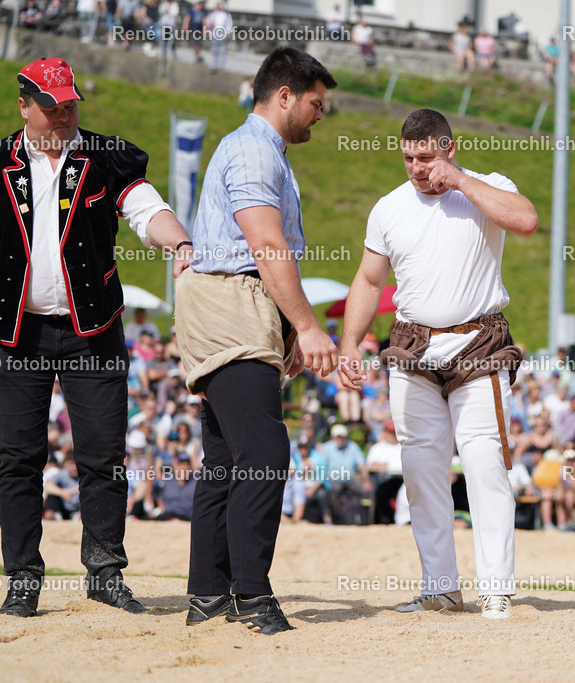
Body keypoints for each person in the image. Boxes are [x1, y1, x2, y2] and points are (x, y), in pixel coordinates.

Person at [0, 57, 193, 618]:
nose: (63, 116)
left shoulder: (106, 157)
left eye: (71, 104)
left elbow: (147, 210)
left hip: (92, 330)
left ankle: (104, 572)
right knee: (18, 459)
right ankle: (23, 577)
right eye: (52, 107)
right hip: (14, 332)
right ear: (24, 105)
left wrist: (179, 244)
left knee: (103, 457)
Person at [338, 108, 538, 619]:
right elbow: (367, 281)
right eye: (407, 158)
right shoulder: (389, 208)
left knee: (484, 463)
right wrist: (350, 344)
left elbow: (526, 220)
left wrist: (461, 182)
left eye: (425, 157)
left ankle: (496, 588)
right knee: (421, 470)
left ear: (449, 148)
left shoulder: (486, 186)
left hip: (479, 344)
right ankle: (441, 588)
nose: (416, 168)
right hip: (412, 347)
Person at [174, 47, 338, 636]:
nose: (322, 115)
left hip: (236, 304)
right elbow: (266, 247)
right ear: (285, 95)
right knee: (265, 457)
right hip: (229, 302)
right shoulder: (250, 150)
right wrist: (311, 326)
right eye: (317, 104)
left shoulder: (261, 151)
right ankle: (251, 595)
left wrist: (290, 325)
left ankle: (211, 594)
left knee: (227, 458)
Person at [204, 1, 232, 69]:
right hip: (214, 31)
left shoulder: (226, 14)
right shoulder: (212, 14)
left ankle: (221, 65)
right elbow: (208, 23)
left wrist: (228, 32)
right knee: (214, 48)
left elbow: (229, 24)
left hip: (222, 32)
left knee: (222, 49)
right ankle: (214, 63)